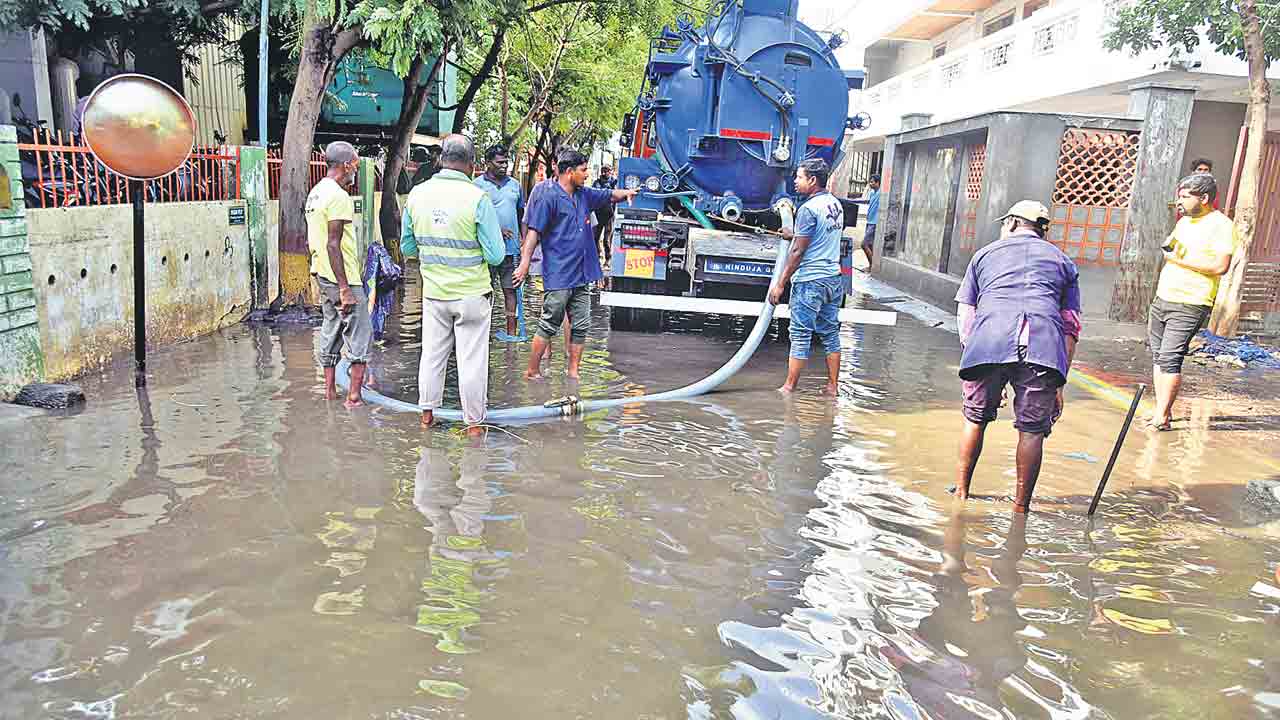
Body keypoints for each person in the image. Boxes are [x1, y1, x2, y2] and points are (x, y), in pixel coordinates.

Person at [954, 200, 1082, 514]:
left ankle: (961, 493)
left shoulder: (984, 254)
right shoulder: (1063, 261)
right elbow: (1070, 324)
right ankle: (1020, 509)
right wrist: (1060, 383)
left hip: (989, 340)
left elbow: (965, 313)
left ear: (1011, 223)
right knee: (1032, 430)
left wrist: (976, 357)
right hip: (1043, 348)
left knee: (975, 420)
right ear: (1042, 229)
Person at [400, 134, 505, 434]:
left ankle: (426, 417)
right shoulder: (477, 199)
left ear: (440, 160)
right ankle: (473, 426)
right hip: (472, 295)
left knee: (432, 355)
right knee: (472, 361)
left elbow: (408, 249)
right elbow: (496, 255)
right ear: (471, 165)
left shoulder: (417, 195)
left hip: (434, 294)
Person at [513, 149, 638, 380]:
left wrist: (627, 193)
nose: (587, 174)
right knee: (550, 322)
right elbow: (533, 233)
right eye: (583, 170)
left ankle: (573, 373)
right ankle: (532, 371)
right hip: (559, 272)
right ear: (569, 172)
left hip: (581, 272)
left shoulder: (584, 195)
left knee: (581, 324)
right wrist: (524, 264)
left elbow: (609, 194)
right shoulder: (547, 196)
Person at [1147, 173, 1236, 431]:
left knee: (1171, 358)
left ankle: (1162, 416)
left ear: (1204, 198)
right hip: (1164, 296)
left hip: (1191, 301)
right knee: (1158, 356)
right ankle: (1161, 409)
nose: (1180, 201)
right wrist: (1170, 251)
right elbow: (1171, 248)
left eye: (1186, 196)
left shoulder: (1221, 225)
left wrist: (1178, 260)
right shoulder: (1185, 222)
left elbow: (1220, 265)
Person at [767, 158, 846, 395]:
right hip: (833, 279)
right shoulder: (834, 204)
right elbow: (818, 237)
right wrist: (794, 233)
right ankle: (832, 387)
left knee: (800, 334)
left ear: (812, 180)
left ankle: (789, 388)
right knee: (830, 333)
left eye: (799, 177)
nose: (795, 181)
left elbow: (798, 251)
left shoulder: (808, 209)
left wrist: (780, 284)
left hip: (811, 280)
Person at [307, 141, 372, 408]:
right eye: (355, 166)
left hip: (323, 274)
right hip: (342, 278)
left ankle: (330, 392)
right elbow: (333, 243)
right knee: (360, 333)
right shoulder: (338, 196)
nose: (356, 171)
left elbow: (315, 238)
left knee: (331, 328)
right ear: (346, 165)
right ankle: (354, 398)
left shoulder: (316, 192)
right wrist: (345, 288)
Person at [474, 145, 526, 338]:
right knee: (483, 292)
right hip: (485, 251)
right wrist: (495, 232)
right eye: (500, 162)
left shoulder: (515, 185)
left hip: (511, 251)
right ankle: (481, 334)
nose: (504, 166)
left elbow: (522, 214)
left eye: (506, 162)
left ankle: (511, 333)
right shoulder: (476, 185)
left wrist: (523, 241)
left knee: (510, 291)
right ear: (487, 163)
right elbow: (473, 217)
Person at [592, 165, 618, 264]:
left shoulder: (614, 183)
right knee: (595, 237)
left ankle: (608, 258)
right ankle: (598, 256)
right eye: (603, 171)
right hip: (598, 214)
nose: (605, 173)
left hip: (609, 215)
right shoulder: (597, 183)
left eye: (607, 171)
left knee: (606, 239)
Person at [861, 173, 881, 268]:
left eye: (872, 182)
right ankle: (871, 266)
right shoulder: (872, 193)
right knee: (870, 245)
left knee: (864, 244)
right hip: (869, 221)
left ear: (877, 183)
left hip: (874, 222)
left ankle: (872, 266)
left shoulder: (881, 193)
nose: (870, 184)